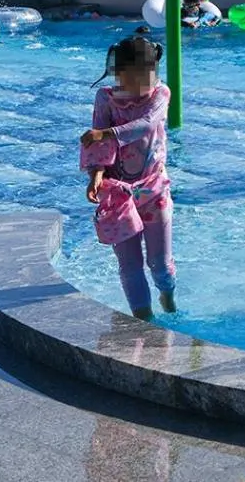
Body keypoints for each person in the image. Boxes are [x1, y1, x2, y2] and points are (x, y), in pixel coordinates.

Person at [80, 36, 177, 320]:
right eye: (138, 77)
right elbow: (98, 141)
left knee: (159, 264)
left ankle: (168, 297)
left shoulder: (161, 94)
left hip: (154, 190)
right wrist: (96, 175)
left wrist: (105, 134)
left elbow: (146, 125)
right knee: (129, 265)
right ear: (120, 74)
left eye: (151, 75)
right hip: (117, 193)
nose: (147, 83)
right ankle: (145, 321)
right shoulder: (105, 98)